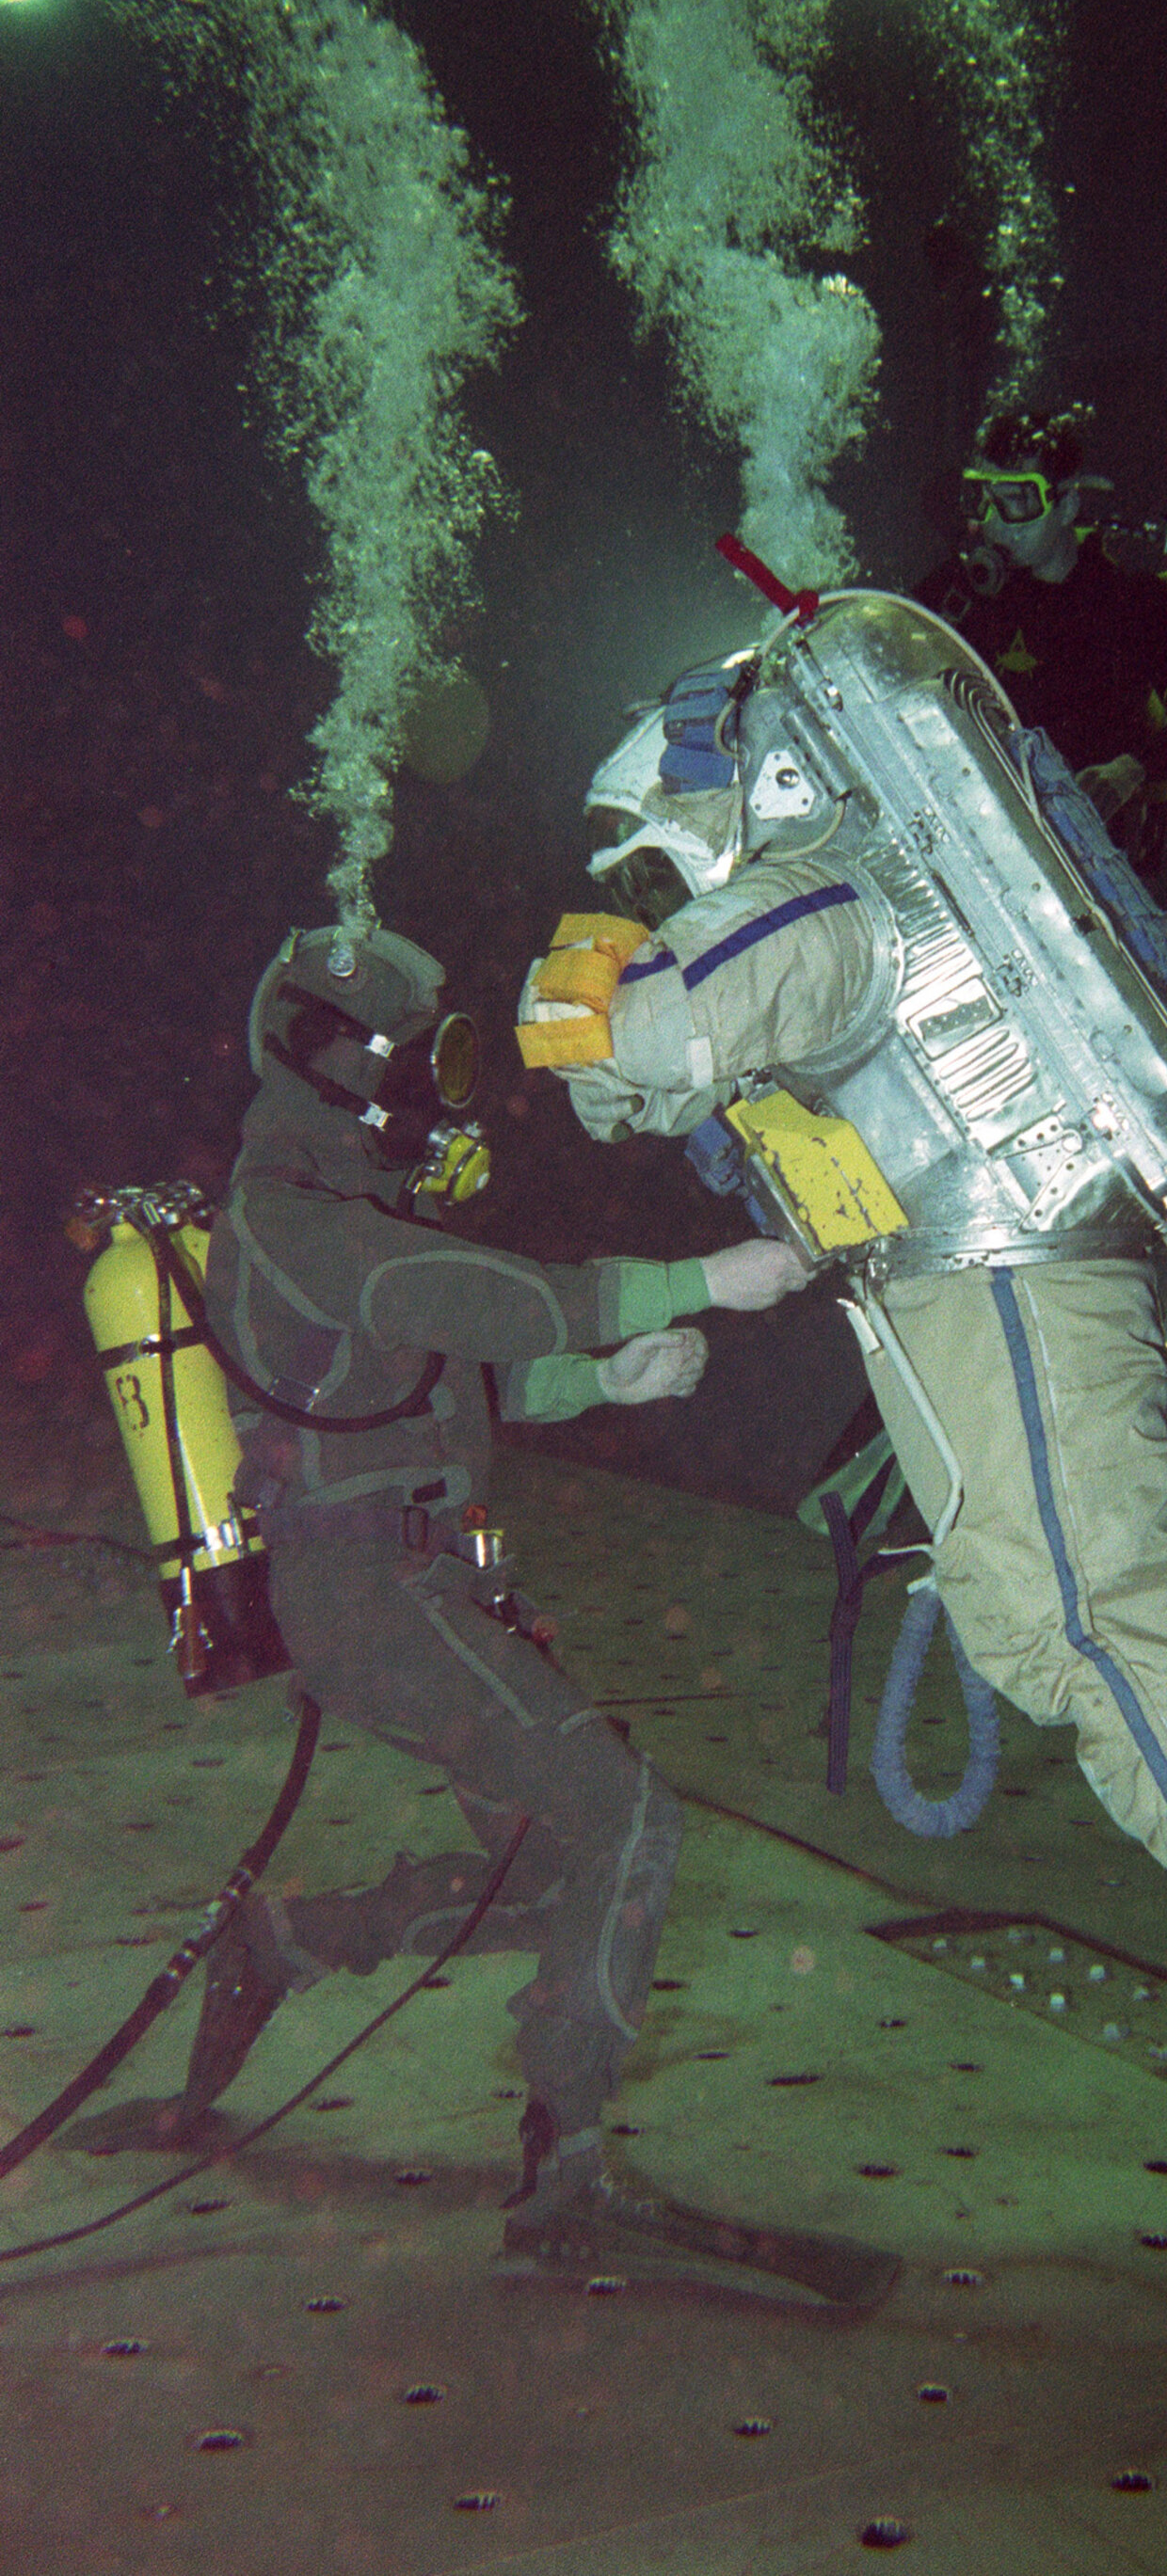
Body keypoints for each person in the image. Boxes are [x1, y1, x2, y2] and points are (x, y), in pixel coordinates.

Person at [520, 596, 1167, 2124]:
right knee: (1062, 1591)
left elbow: (646, 1038)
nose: (649, 894)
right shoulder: (862, 884)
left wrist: (577, 980)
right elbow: (671, 1077)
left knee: (1083, 1593)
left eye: (652, 864)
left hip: (1001, 1278)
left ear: (732, 794)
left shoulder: (816, 888)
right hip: (982, 1281)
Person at [68, 923, 894, 2298]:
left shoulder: (344, 1207)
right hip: (367, 1591)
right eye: (420, 1065)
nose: (437, 1099)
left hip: (422, 1583)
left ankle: (285, 1945)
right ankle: (563, 2184)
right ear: (334, 1067)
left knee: (554, 1869)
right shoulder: (288, 1215)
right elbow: (455, 1298)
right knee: (627, 1817)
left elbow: (437, 1374)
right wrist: (699, 1279)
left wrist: (604, 1383)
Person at [913, 405, 1167, 875]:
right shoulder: (962, 588)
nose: (995, 523)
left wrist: (1130, 770)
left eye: (1017, 501)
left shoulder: (1134, 600)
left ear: (1068, 505)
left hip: (1076, 853)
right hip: (965, 825)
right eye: (983, 499)